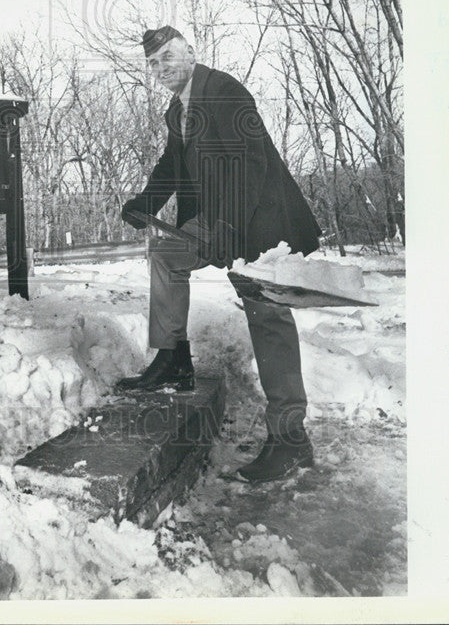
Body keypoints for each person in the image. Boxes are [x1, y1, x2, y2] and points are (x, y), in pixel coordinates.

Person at [119, 25, 322, 482]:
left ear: (190, 52)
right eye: (152, 64)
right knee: (168, 253)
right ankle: (173, 360)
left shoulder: (224, 90)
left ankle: (291, 440)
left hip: (260, 222)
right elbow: (171, 166)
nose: (161, 68)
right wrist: (145, 204)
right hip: (221, 219)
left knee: (267, 315)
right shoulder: (178, 111)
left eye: (168, 56)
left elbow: (250, 162)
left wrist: (227, 227)